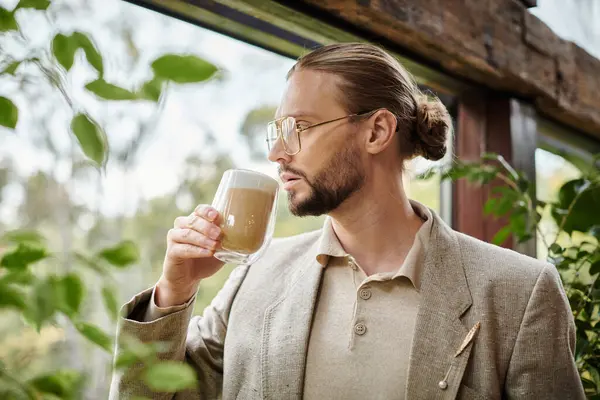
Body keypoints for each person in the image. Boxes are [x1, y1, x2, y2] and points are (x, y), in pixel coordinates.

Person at [110, 43, 584, 399]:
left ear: (377, 130)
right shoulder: (254, 277)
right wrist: (173, 295)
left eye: (298, 128)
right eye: (276, 132)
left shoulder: (520, 294)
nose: (277, 152)